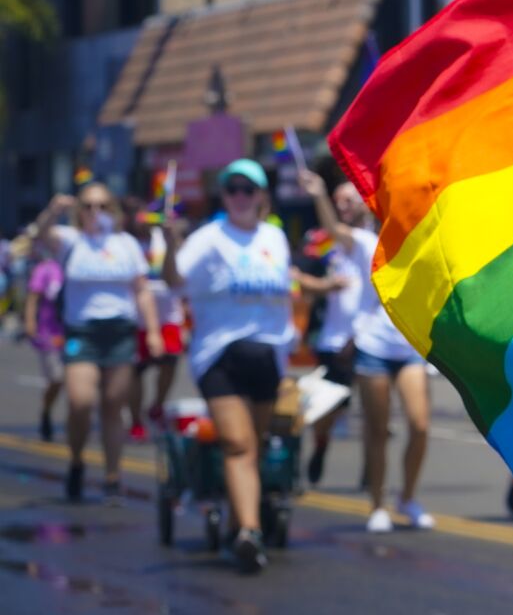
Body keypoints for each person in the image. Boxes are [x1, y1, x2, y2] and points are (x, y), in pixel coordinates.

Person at [164, 159, 295, 574]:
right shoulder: (208, 238)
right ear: (223, 196)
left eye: (248, 189)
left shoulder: (274, 236)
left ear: (261, 197)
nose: (240, 196)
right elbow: (172, 280)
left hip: (267, 355)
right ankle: (249, 534)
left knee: (252, 447)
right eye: (232, 189)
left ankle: (238, 527)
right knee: (238, 444)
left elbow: (285, 299)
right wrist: (170, 245)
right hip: (220, 355)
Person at [299, 169, 436, 534]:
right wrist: (318, 195)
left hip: (408, 347)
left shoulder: (418, 241)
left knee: (419, 425)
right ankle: (378, 504)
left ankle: (407, 497)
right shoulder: (363, 242)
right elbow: (333, 229)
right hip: (372, 345)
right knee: (376, 429)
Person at [32, 184, 160, 503]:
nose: (95, 213)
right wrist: (53, 210)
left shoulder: (125, 243)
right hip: (82, 332)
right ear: (80, 212)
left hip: (119, 330)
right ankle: (76, 460)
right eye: (88, 206)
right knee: (80, 401)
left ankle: (112, 475)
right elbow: (39, 236)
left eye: (102, 206)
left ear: (113, 211)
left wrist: (154, 330)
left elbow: (141, 289)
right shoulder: (72, 242)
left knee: (113, 405)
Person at [289, 224, 361, 487]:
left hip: (368, 340)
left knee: (374, 410)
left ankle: (371, 471)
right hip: (332, 340)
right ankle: (320, 447)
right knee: (327, 407)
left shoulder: (377, 241)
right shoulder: (320, 241)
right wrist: (327, 285)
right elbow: (299, 281)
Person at [122, 197, 184, 442]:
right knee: (136, 371)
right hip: (135, 316)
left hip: (168, 313)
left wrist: (172, 238)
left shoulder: (162, 237)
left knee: (170, 363)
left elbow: (178, 267)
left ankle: (157, 405)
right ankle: (136, 420)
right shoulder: (125, 243)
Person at [22, 250, 65, 441]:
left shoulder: (74, 265)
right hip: (50, 333)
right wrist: (30, 321)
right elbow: (33, 296)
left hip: (73, 333)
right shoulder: (46, 268)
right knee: (56, 378)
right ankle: (46, 411)